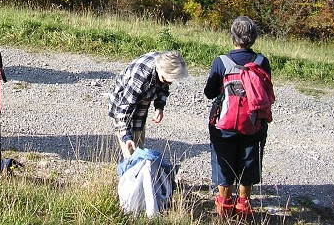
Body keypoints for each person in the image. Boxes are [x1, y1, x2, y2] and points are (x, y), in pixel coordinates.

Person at [204, 16, 272, 218]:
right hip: (253, 123)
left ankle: (224, 204)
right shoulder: (262, 62)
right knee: (249, 160)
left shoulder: (221, 62)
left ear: (232, 37)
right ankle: (244, 205)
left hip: (223, 124)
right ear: (254, 38)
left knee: (222, 160)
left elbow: (209, 93)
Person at [108, 50, 189, 158]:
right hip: (122, 105)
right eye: (167, 80)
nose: (169, 83)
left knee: (139, 149)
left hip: (141, 104)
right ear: (159, 70)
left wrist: (159, 107)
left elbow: (163, 88)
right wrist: (127, 137)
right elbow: (122, 112)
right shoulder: (141, 78)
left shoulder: (166, 63)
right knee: (132, 156)